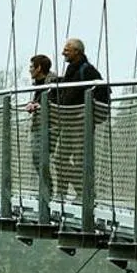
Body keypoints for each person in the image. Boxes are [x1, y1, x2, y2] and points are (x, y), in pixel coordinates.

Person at [48, 38, 112, 209]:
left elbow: (103, 93)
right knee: (60, 157)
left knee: (79, 158)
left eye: (67, 50)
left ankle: (84, 194)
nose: (63, 53)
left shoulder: (88, 71)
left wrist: (89, 112)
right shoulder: (72, 71)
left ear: (77, 51)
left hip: (81, 123)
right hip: (68, 122)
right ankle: (64, 193)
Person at [24, 54, 59, 198]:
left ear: (39, 68)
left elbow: (55, 101)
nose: (29, 70)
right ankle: (47, 189)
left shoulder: (54, 83)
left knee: (42, 157)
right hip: (39, 126)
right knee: (37, 158)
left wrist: (38, 105)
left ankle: (48, 191)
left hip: (51, 127)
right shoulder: (39, 84)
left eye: (32, 66)